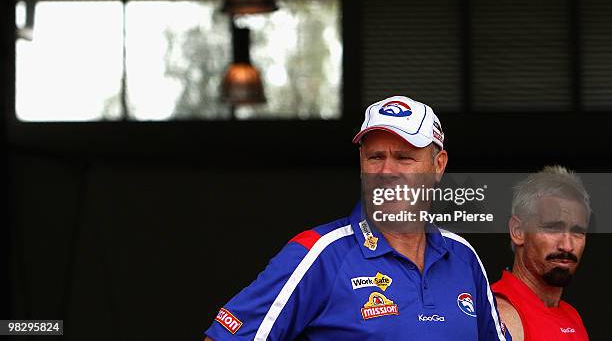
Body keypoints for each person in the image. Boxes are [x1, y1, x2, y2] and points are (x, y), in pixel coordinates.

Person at [204, 95, 509, 340]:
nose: (387, 172)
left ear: (438, 166)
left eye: (404, 158)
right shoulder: (318, 255)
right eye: (375, 157)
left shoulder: (463, 257)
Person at [491, 166, 590, 340]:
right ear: (518, 231)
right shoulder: (498, 313)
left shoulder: (572, 316)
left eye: (577, 231)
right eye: (552, 228)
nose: (567, 246)